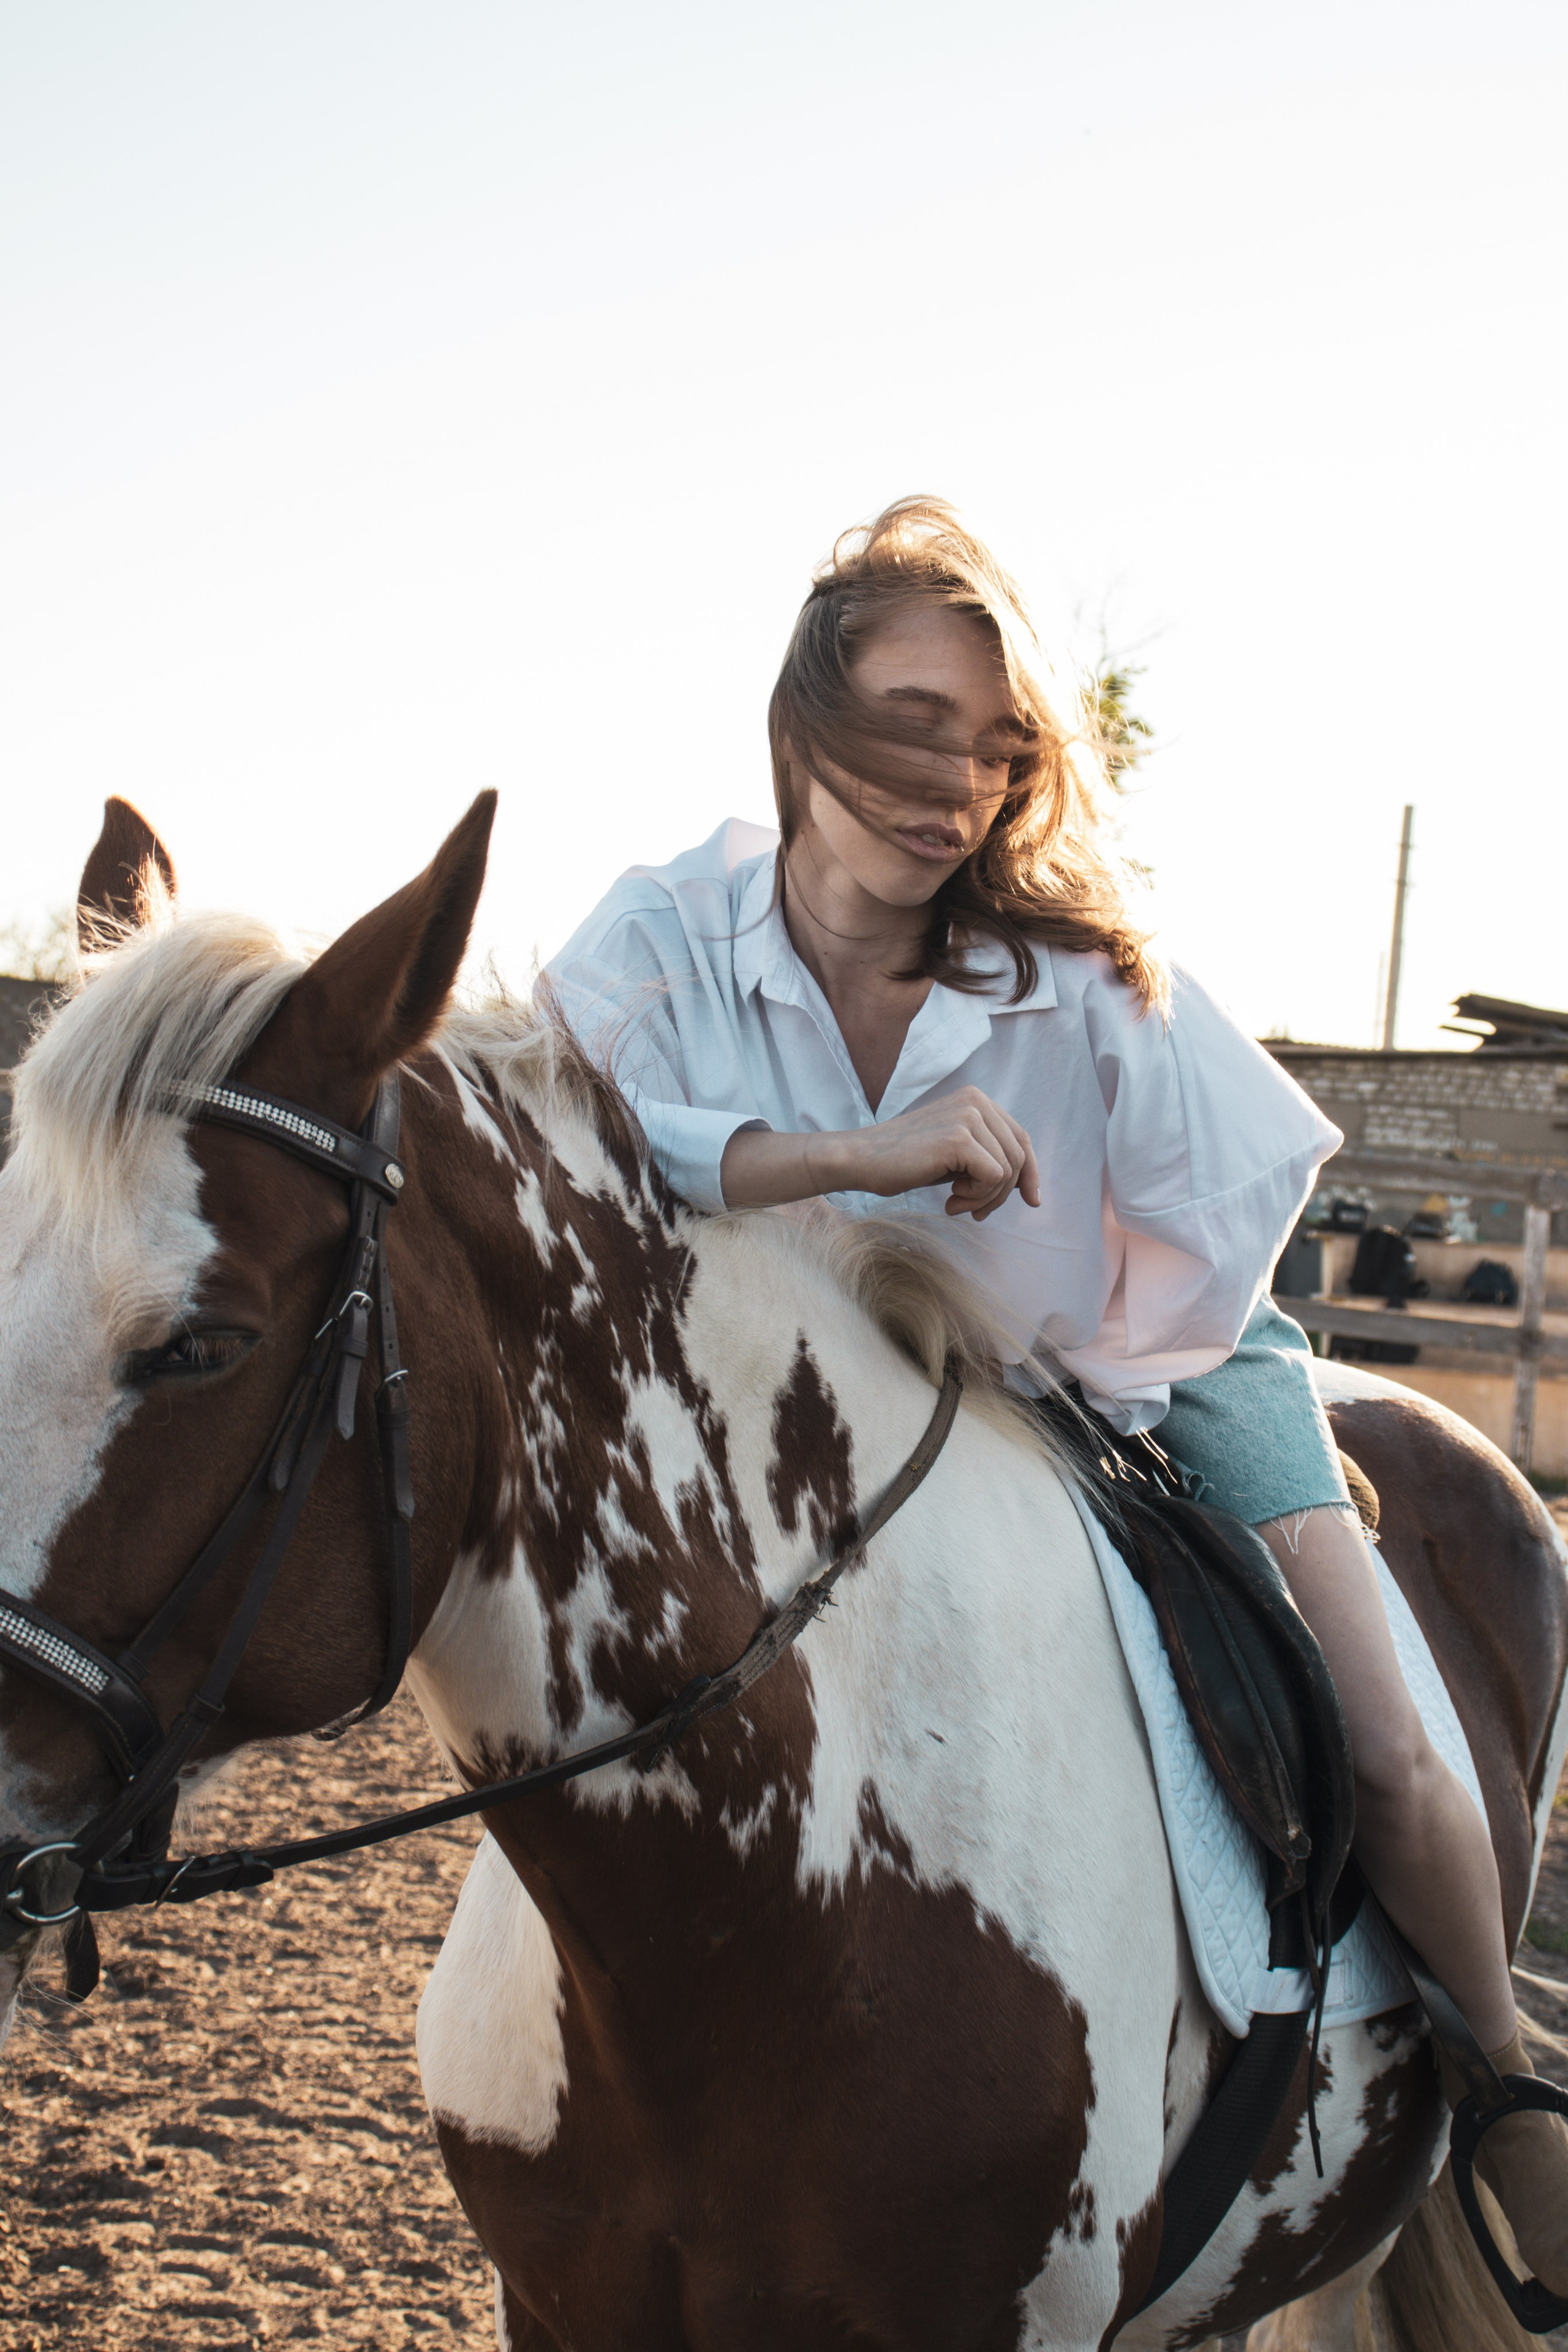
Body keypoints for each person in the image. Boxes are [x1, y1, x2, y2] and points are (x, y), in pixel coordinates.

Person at [549, 497, 1566, 2279]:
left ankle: (1503, 2075)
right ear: (804, 726)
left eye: (998, 746)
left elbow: (1216, 1226)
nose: (955, 782)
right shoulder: (660, 932)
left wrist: (1054, 1384)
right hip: (830, 1414)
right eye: (913, 725)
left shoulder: (1084, 969)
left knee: (1396, 1745)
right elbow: (566, 1137)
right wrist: (846, 1156)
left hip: (1142, 1363)